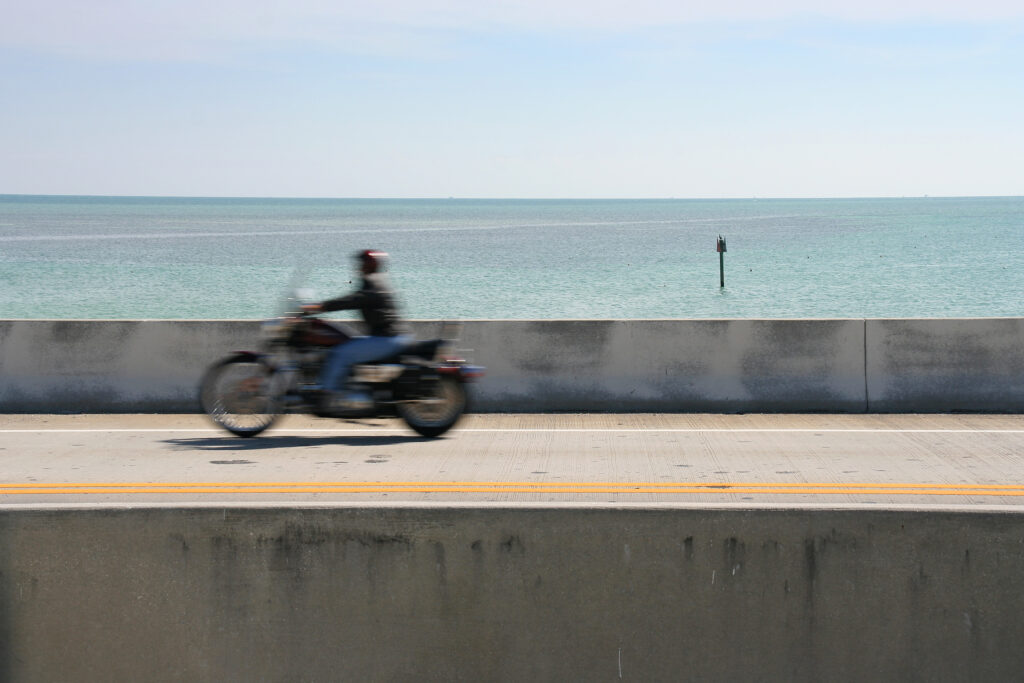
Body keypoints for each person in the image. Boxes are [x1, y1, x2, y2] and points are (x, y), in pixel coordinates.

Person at [301, 250, 411, 399]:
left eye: (362, 263)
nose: (358, 267)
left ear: (368, 265)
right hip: (389, 337)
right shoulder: (377, 280)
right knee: (346, 341)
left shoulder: (373, 282)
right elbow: (355, 299)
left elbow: (353, 300)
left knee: (341, 353)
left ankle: (328, 394)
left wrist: (319, 307)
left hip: (386, 339)